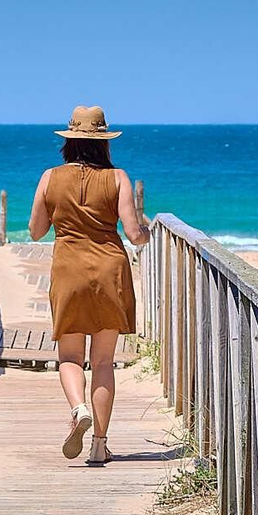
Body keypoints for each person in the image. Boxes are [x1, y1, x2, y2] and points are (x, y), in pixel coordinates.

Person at [28, 105, 149, 464]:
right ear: (104, 143)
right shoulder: (119, 178)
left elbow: (36, 231)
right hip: (110, 272)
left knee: (69, 356)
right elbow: (133, 233)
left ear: (68, 141)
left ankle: (78, 407)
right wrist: (146, 234)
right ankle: (99, 445)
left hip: (68, 271)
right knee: (103, 362)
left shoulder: (50, 177)